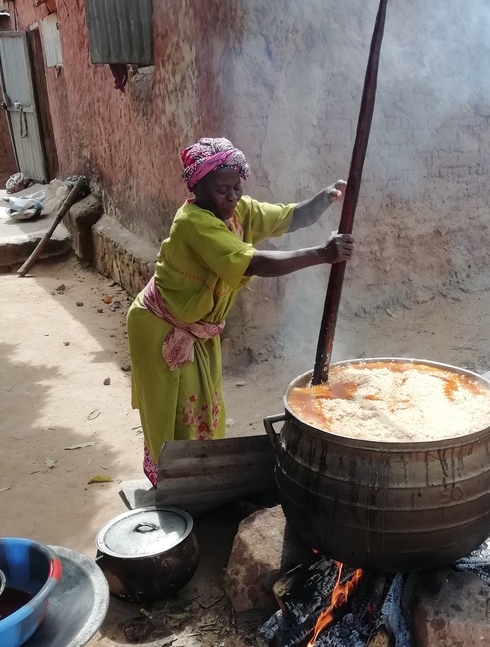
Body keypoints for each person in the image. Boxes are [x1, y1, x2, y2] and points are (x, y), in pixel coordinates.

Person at [126, 136, 353, 486]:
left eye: (237, 187)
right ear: (197, 188)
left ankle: (197, 482)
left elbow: (289, 217)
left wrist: (326, 198)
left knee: (203, 407)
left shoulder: (238, 212)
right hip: (161, 328)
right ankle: (174, 489)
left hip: (199, 329)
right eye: (221, 189)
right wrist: (322, 254)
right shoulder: (193, 223)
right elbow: (254, 262)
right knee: (174, 414)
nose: (232, 196)